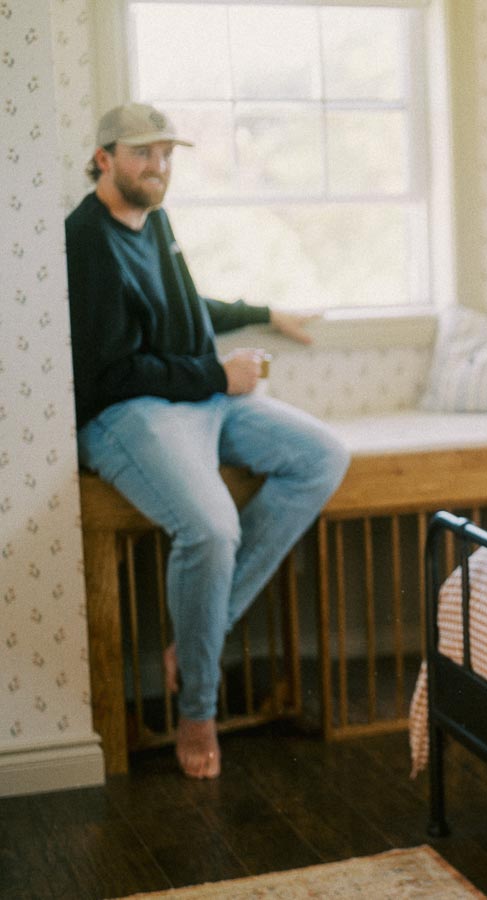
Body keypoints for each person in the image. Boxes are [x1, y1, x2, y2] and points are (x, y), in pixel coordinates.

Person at [66, 103, 350, 778]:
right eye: (142, 153)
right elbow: (105, 374)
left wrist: (263, 314)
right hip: (133, 414)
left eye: (166, 153)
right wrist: (216, 373)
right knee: (211, 529)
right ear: (104, 158)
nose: (158, 167)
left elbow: (187, 311)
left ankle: (205, 629)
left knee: (322, 455)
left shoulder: (155, 220)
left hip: (201, 398)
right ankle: (198, 706)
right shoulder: (85, 241)